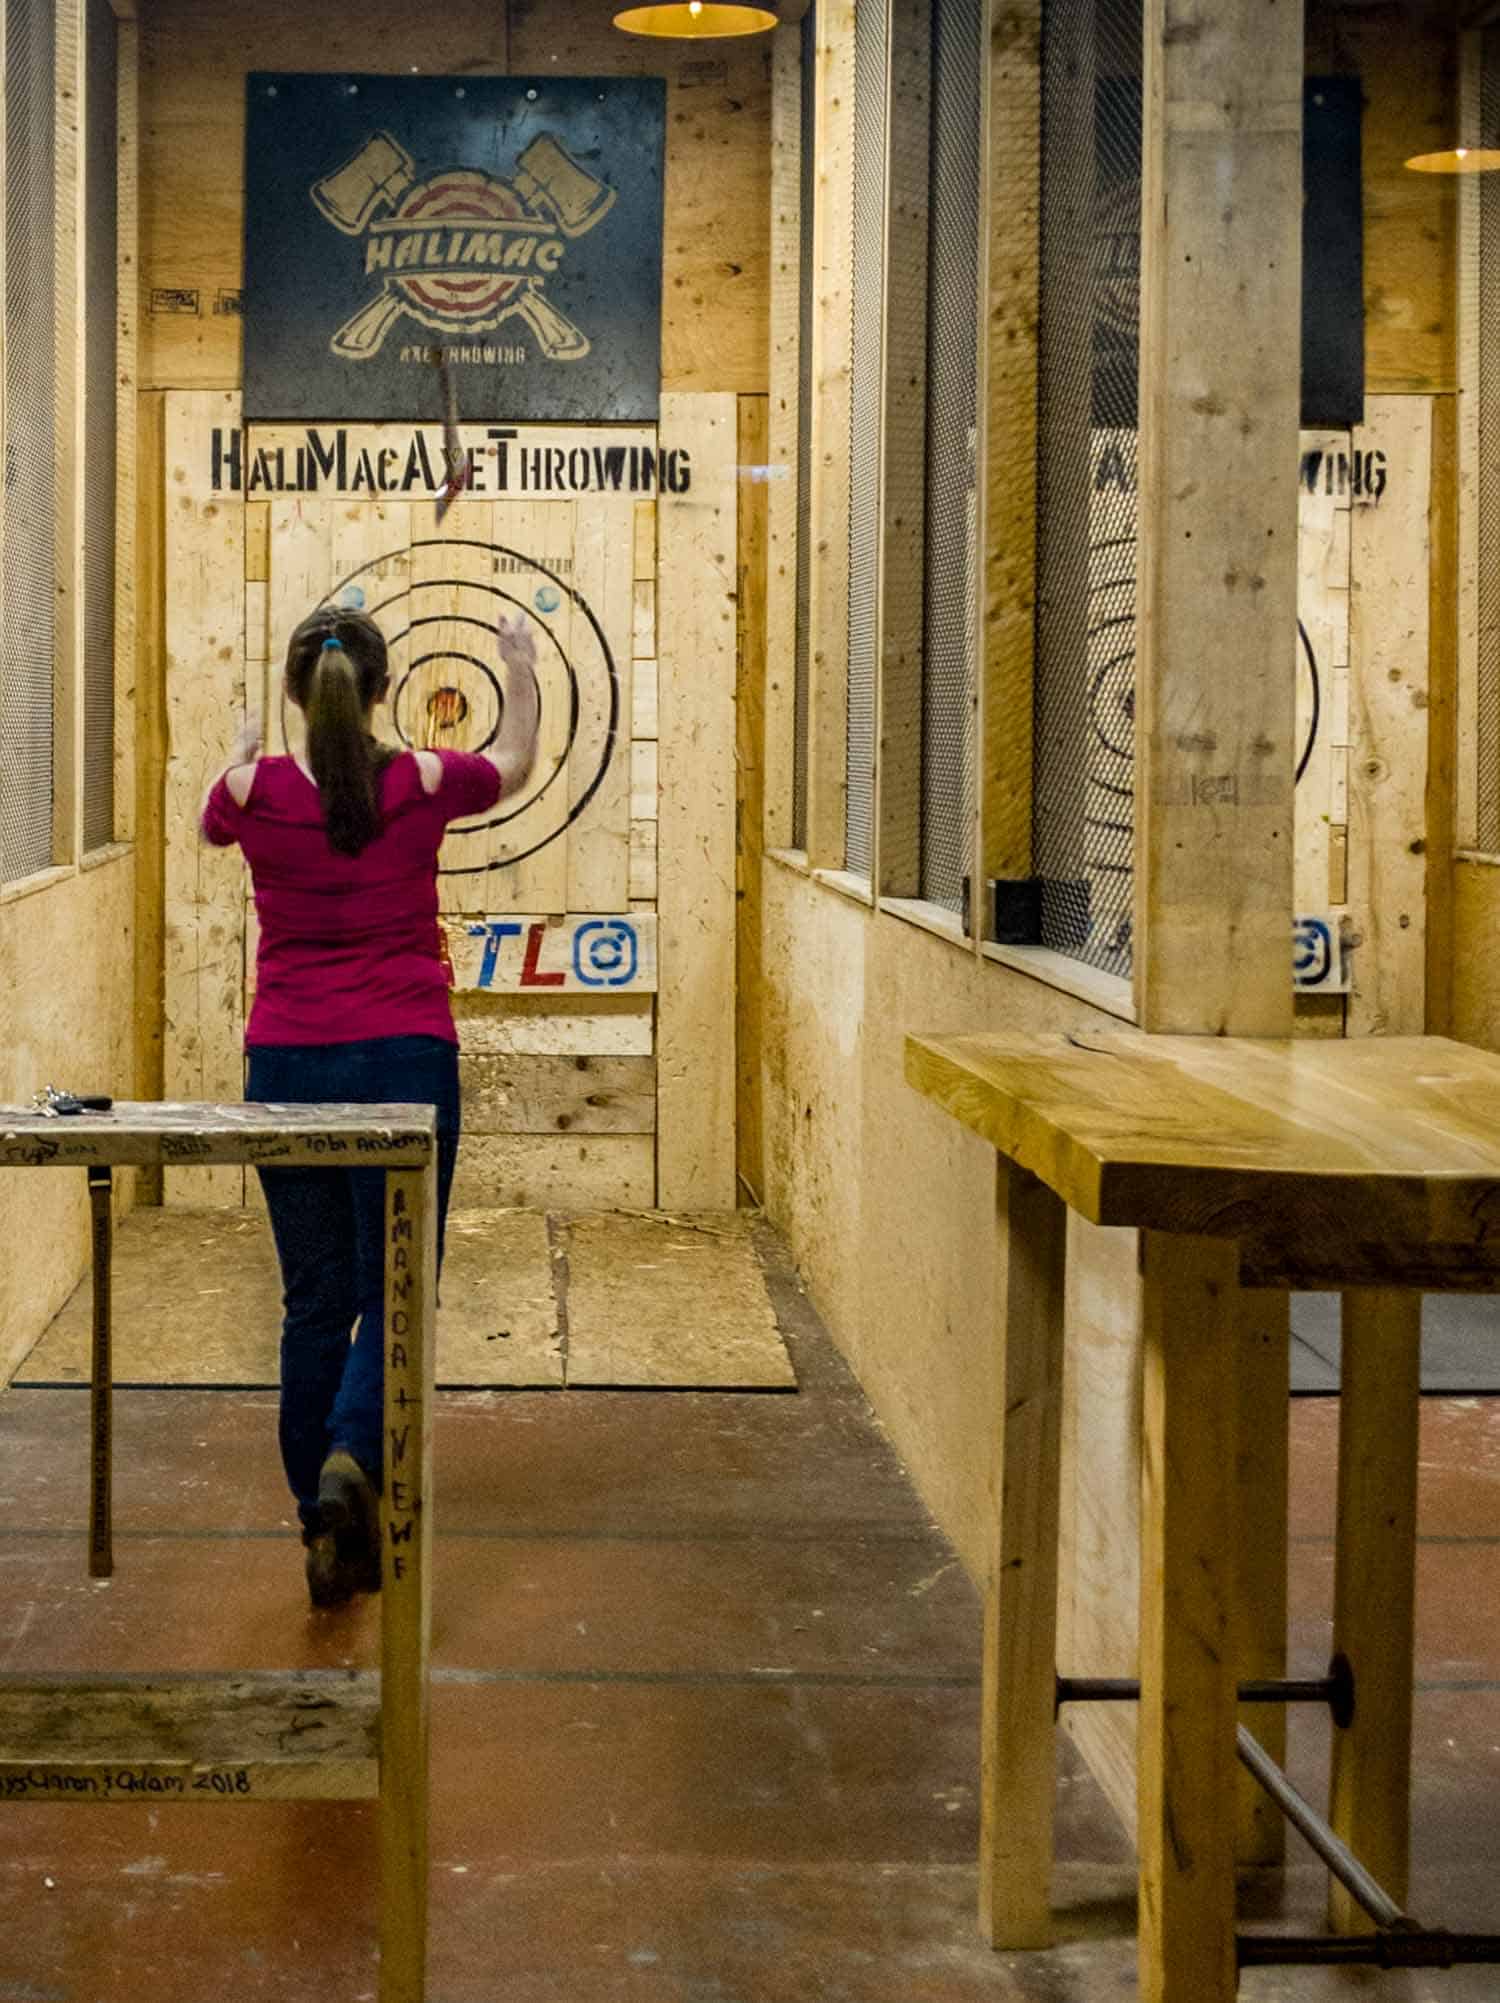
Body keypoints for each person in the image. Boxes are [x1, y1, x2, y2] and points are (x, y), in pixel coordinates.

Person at [201, 604, 541, 1607]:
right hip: (403, 1057)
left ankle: (323, 1523)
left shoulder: (252, 790)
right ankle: (356, 1457)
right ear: (384, 691)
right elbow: (514, 762)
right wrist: (518, 667)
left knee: (314, 1298)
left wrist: (241, 749)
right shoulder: (422, 780)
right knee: (398, 1287)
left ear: (302, 697)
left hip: (288, 1065)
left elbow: (209, 818)